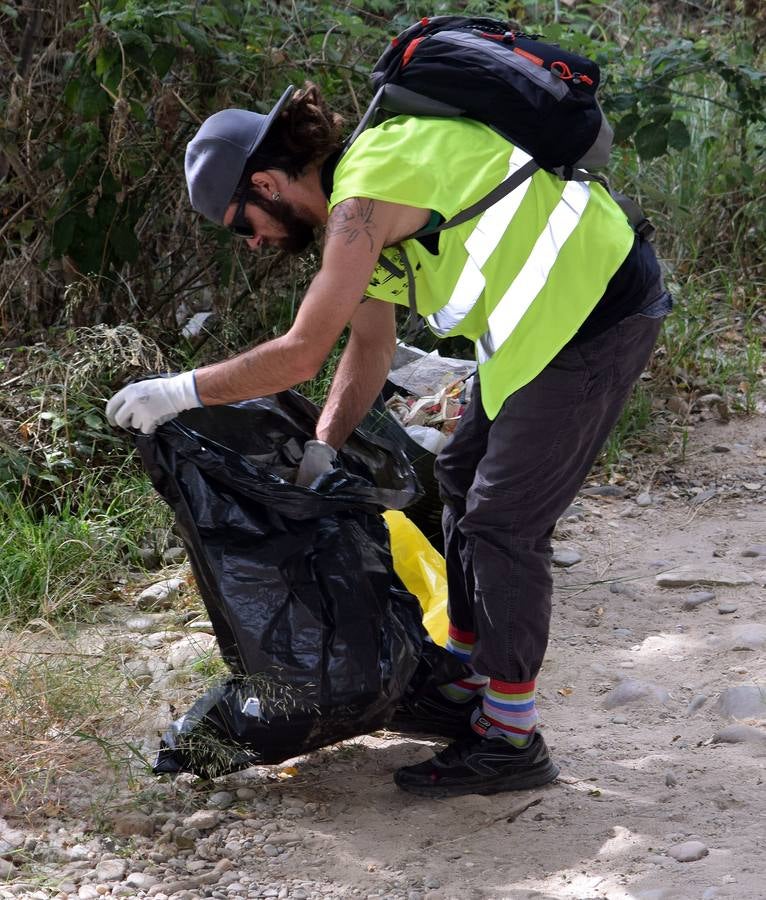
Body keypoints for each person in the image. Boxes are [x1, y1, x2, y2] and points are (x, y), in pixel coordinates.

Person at [106, 81, 671, 797]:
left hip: (599, 309)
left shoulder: (364, 197)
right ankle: (464, 680)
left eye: (240, 222)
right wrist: (323, 446)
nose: (250, 241)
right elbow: (366, 350)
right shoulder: (363, 207)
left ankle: (511, 739)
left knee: (503, 522)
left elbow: (303, 351)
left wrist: (180, 390)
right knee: (461, 479)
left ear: (267, 182)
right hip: (536, 326)